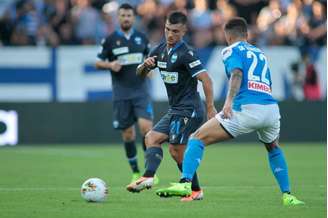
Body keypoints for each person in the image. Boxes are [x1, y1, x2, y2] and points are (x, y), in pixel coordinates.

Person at [157, 17, 305, 206]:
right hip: (271, 109)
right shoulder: (259, 52)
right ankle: (288, 195)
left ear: (227, 36)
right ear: (246, 34)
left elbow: (236, 73)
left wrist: (228, 102)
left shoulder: (230, 50)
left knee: (196, 138)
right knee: (273, 148)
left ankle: (186, 183)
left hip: (245, 109)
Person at [126, 11, 217, 202]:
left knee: (176, 150)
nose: (170, 34)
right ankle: (150, 177)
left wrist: (210, 108)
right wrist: (145, 65)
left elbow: (206, 80)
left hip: (190, 109)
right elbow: (140, 74)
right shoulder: (159, 50)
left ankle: (192, 190)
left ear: (183, 31)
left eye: (175, 31)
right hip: (175, 109)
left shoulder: (186, 53)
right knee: (151, 138)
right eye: (167, 29)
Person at [95, 3, 155, 183]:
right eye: (123, 15)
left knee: (147, 130)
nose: (126, 18)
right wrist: (109, 65)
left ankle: (149, 172)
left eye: (129, 15)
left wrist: (150, 68)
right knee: (128, 134)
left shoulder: (142, 38)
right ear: (118, 18)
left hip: (141, 92)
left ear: (133, 18)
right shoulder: (110, 40)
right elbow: (98, 62)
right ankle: (135, 171)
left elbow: (150, 58)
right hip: (121, 93)